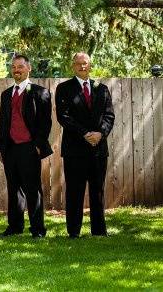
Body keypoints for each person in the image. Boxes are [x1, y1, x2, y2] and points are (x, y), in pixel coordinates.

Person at [56, 52, 115, 238]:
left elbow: (109, 115)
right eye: (78, 63)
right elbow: (63, 116)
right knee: (75, 192)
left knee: (97, 191)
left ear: (90, 65)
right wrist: (84, 133)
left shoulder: (102, 89)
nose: (82, 66)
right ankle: (74, 231)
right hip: (75, 150)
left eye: (85, 63)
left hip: (98, 149)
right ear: (73, 66)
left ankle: (99, 231)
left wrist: (100, 133)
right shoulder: (64, 88)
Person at [0, 53, 53, 238]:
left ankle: (38, 229)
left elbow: (46, 123)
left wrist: (38, 145)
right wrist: (0, 147)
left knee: (33, 189)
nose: (16, 70)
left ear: (29, 68)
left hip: (29, 147)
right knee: (13, 189)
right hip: (10, 148)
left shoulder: (39, 92)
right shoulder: (6, 95)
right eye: (13, 67)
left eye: (20, 66)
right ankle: (15, 226)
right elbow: (2, 122)